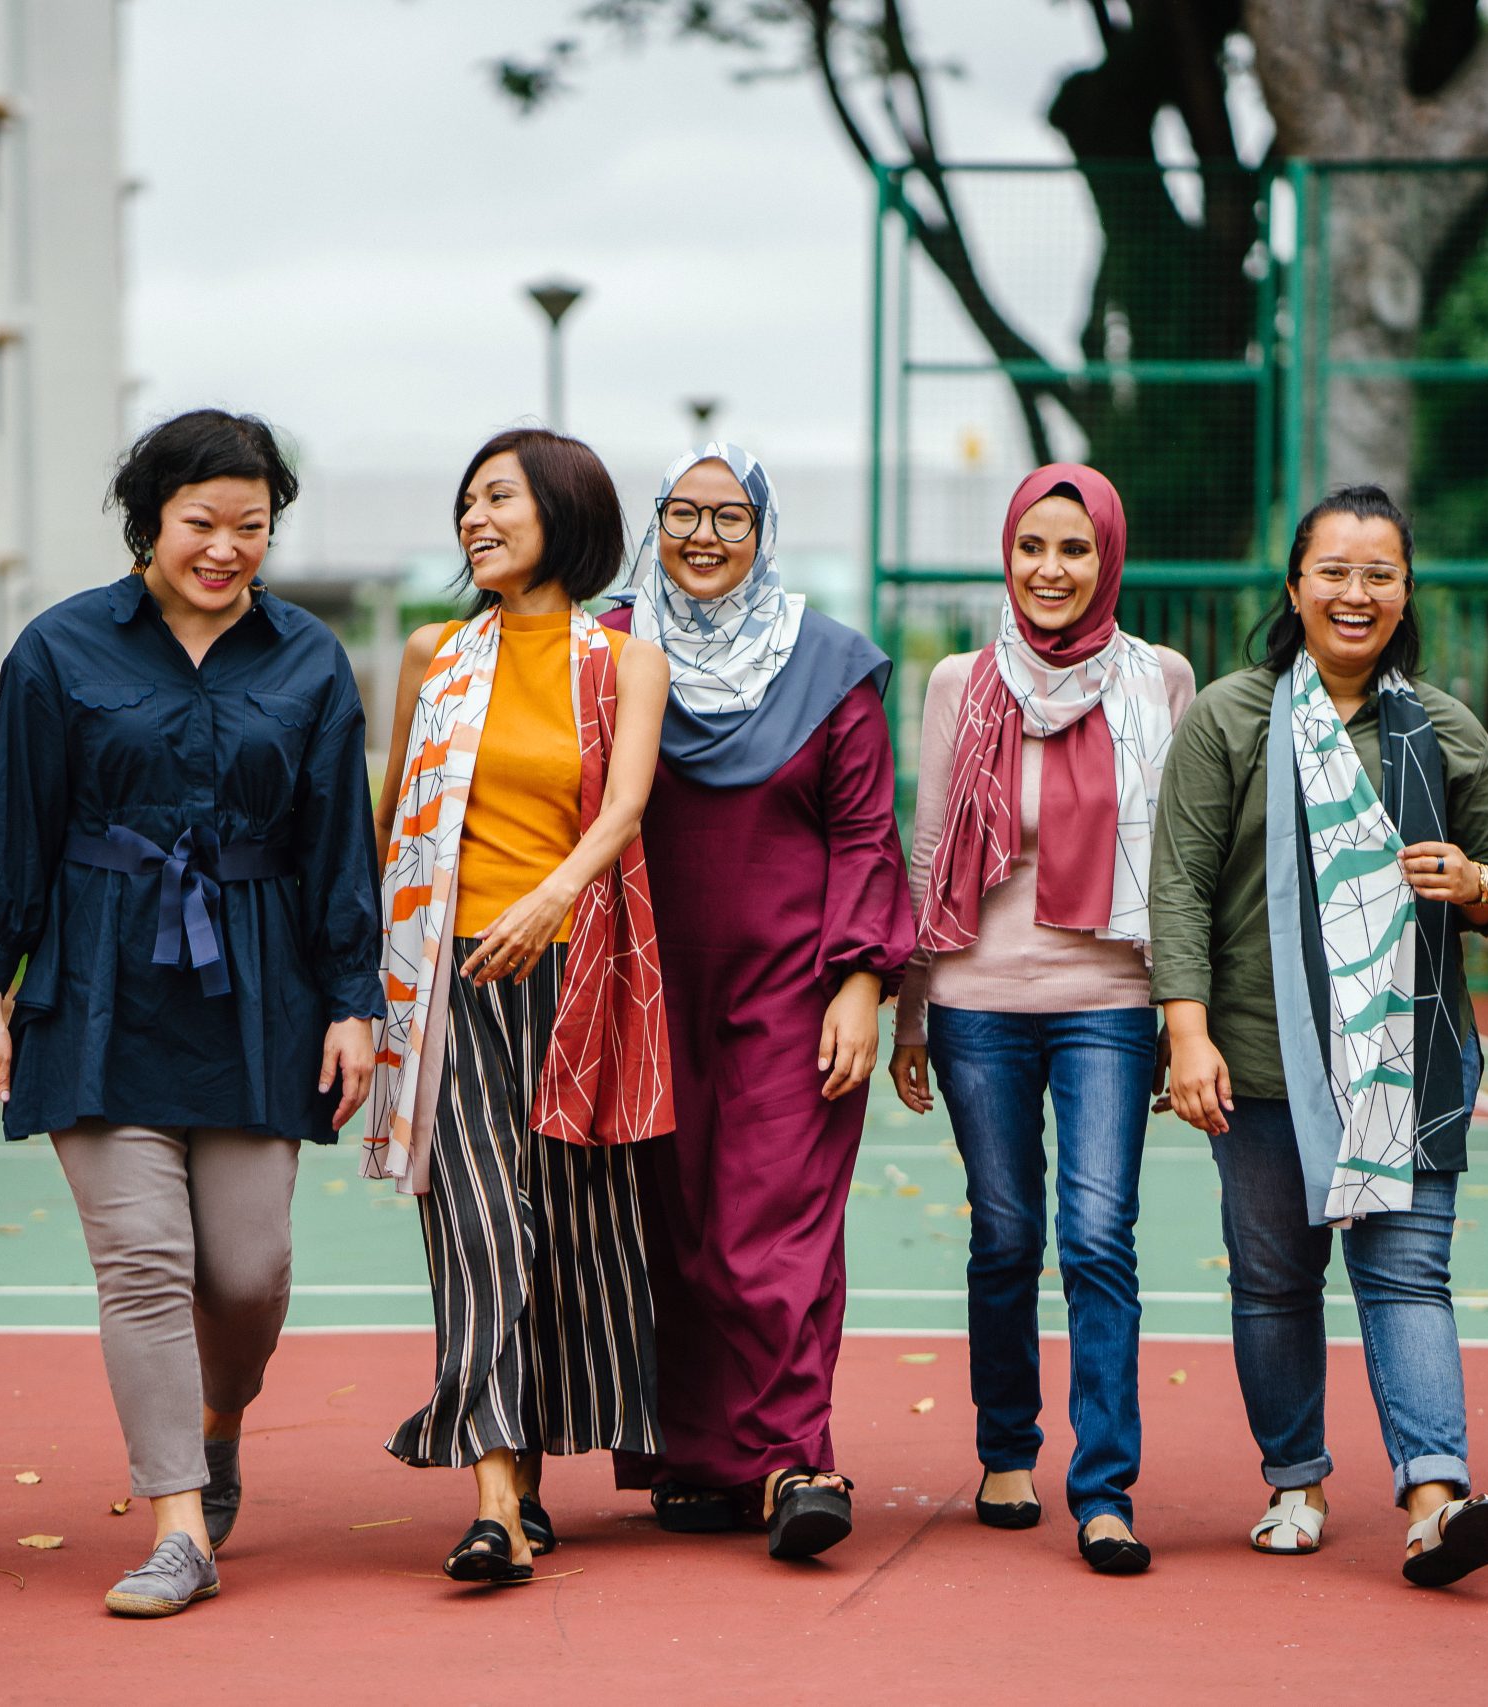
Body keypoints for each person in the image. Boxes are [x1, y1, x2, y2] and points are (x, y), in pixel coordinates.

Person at [0, 410, 382, 1618]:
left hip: (258, 992)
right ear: (148, 523)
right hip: (97, 986)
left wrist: (354, 1003)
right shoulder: (58, 651)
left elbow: (337, 843)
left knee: (247, 1271)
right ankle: (178, 1527)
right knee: (143, 1264)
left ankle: (216, 1418)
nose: (227, 548)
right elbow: (16, 838)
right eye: (203, 522)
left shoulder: (307, 661)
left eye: (251, 526)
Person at [1151, 483, 1488, 1587]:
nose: (1355, 593)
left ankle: (1434, 1499)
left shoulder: (1444, 729)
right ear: (1296, 585)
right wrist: (1187, 1036)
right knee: (1273, 1283)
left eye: (1379, 574)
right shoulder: (1230, 717)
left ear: (1406, 593)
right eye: (1334, 572)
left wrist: (1472, 885)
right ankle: (1295, 1481)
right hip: (1263, 1060)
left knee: (1407, 1277)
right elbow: (1175, 887)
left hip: (1404, 1062)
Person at [367, 428, 674, 1585]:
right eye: (467, 502)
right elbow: (395, 815)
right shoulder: (430, 653)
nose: (474, 520)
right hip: (444, 978)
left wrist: (549, 900)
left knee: (570, 1230)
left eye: (499, 498)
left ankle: (532, 1470)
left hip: (576, 970)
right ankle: (495, 1498)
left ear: (564, 511)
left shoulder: (621, 661)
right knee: (478, 1223)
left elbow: (626, 810)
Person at [596, 443, 914, 1560]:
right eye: (682, 513)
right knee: (668, 1221)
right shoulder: (612, 648)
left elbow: (867, 832)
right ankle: (698, 1456)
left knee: (766, 1228)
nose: (703, 536)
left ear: (763, 529)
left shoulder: (829, 663)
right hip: (642, 988)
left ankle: (793, 1459)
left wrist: (862, 982)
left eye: (729, 516)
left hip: (791, 989)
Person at [887, 464, 1190, 1576]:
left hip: (1107, 999)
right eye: (1031, 549)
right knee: (1005, 1235)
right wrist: (911, 1016)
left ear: (1106, 557)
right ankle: (1005, 1449)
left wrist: (1178, 1011)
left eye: (1073, 550)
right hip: (976, 1001)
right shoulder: (958, 681)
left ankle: (1103, 1488)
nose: (1051, 570)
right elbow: (927, 853)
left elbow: (1177, 860)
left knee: (1100, 1238)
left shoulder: (1159, 677)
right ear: (1007, 557)